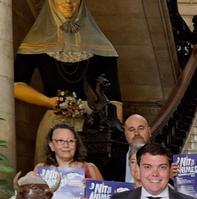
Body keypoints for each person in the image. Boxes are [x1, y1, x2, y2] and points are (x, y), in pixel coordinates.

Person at [14, 0, 123, 164]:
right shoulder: (36, 42)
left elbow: (115, 100)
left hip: (91, 124)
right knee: (48, 174)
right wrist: (50, 102)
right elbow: (16, 86)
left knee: (89, 173)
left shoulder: (102, 47)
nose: (68, 2)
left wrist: (114, 137)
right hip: (54, 120)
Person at [122, 114, 151, 182]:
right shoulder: (114, 161)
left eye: (141, 128)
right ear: (126, 135)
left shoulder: (164, 157)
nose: (136, 133)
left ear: (149, 131)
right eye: (131, 129)